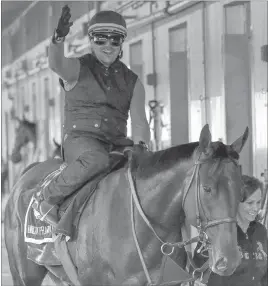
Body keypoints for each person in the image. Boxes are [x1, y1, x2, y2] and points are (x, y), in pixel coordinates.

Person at [33, 5, 150, 234]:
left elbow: (139, 121)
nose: (108, 46)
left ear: (121, 43)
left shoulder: (133, 81)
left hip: (116, 143)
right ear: (91, 41)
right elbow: (56, 63)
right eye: (100, 39)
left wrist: (142, 147)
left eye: (114, 40)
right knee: (97, 159)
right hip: (81, 141)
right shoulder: (76, 68)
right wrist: (58, 39)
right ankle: (47, 200)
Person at [191, 175, 267, 286]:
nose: (255, 208)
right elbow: (197, 273)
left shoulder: (261, 231)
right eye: (250, 203)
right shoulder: (216, 233)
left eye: (258, 202)